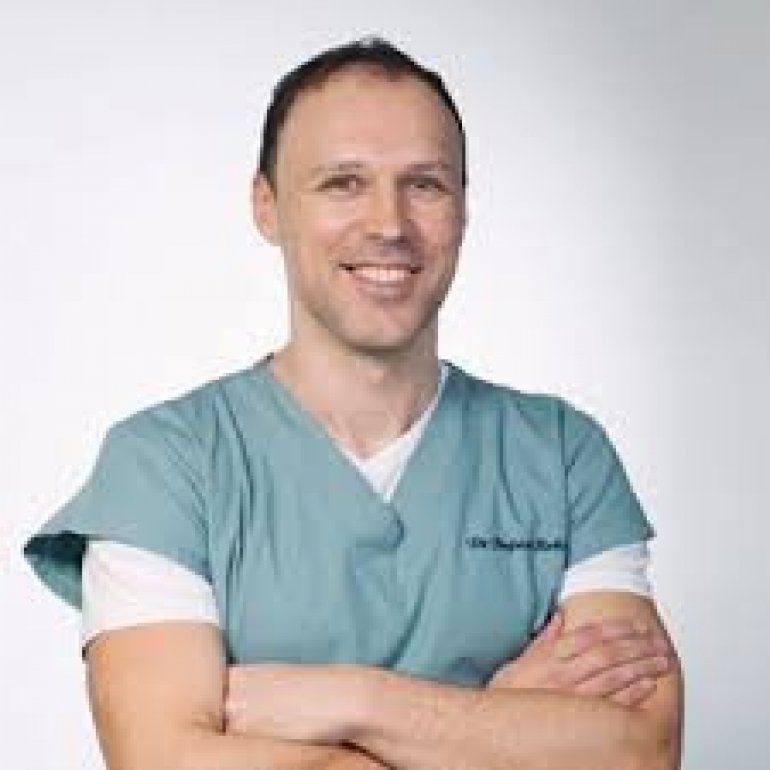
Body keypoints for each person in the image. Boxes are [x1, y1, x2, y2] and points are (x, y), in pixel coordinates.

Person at [24, 37, 683, 769]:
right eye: (343, 183)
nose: (389, 225)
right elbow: (162, 760)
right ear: (267, 206)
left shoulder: (560, 455)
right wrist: (500, 717)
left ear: (464, 208)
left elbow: (639, 752)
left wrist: (352, 700)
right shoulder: (166, 466)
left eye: (425, 184)